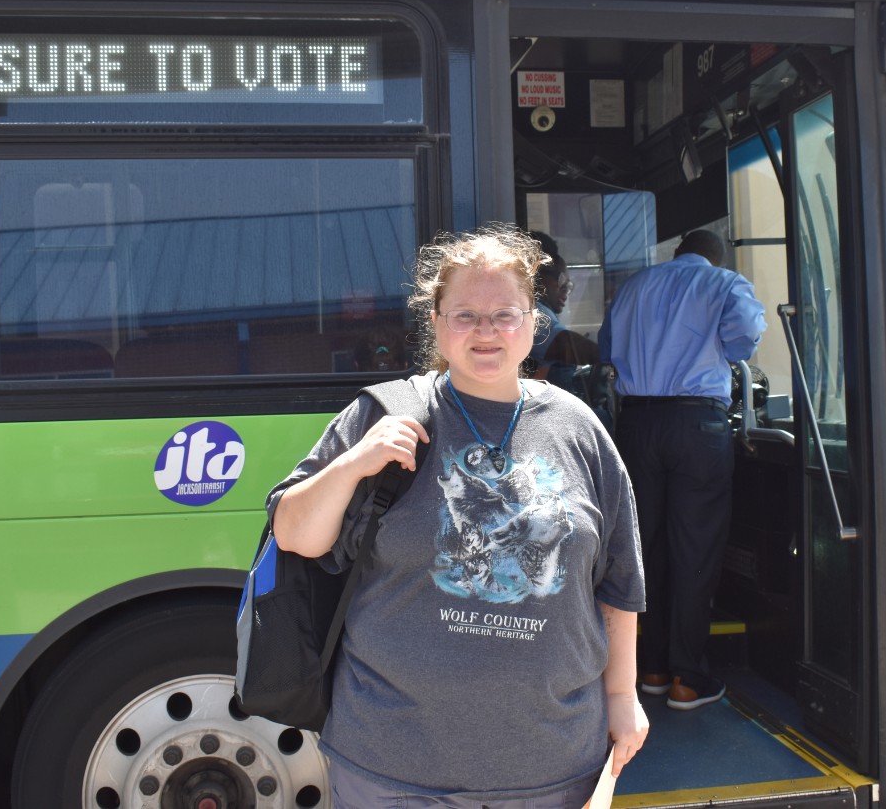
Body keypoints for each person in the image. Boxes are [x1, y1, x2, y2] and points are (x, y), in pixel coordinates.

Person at [268, 224, 648, 807]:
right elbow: (295, 536)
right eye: (465, 315)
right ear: (438, 324)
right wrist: (353, 465)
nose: (486, 331)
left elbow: (619, 582)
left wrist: (622, 699)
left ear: (533, 321)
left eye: (506, 314)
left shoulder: (580, 428)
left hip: (552, 768)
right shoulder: (384, 412)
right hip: (391, 766)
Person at [598, 228, 765, 711]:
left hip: (638, 423)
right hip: (697, 426)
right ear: (717, 257)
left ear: (677, 253)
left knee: (642, 547)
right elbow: (742, 345)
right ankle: (687, 679)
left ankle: (649, 669)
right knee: (695, 548)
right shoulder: (727, 284)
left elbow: (608, 351)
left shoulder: (635, 286)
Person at [528, 231, 600, 371]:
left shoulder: (542, 309)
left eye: (568, 284)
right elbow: (564, 344)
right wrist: (611, 355)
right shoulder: (532, 311)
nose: (565, 289)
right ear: (538, 276)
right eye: (561, 280)